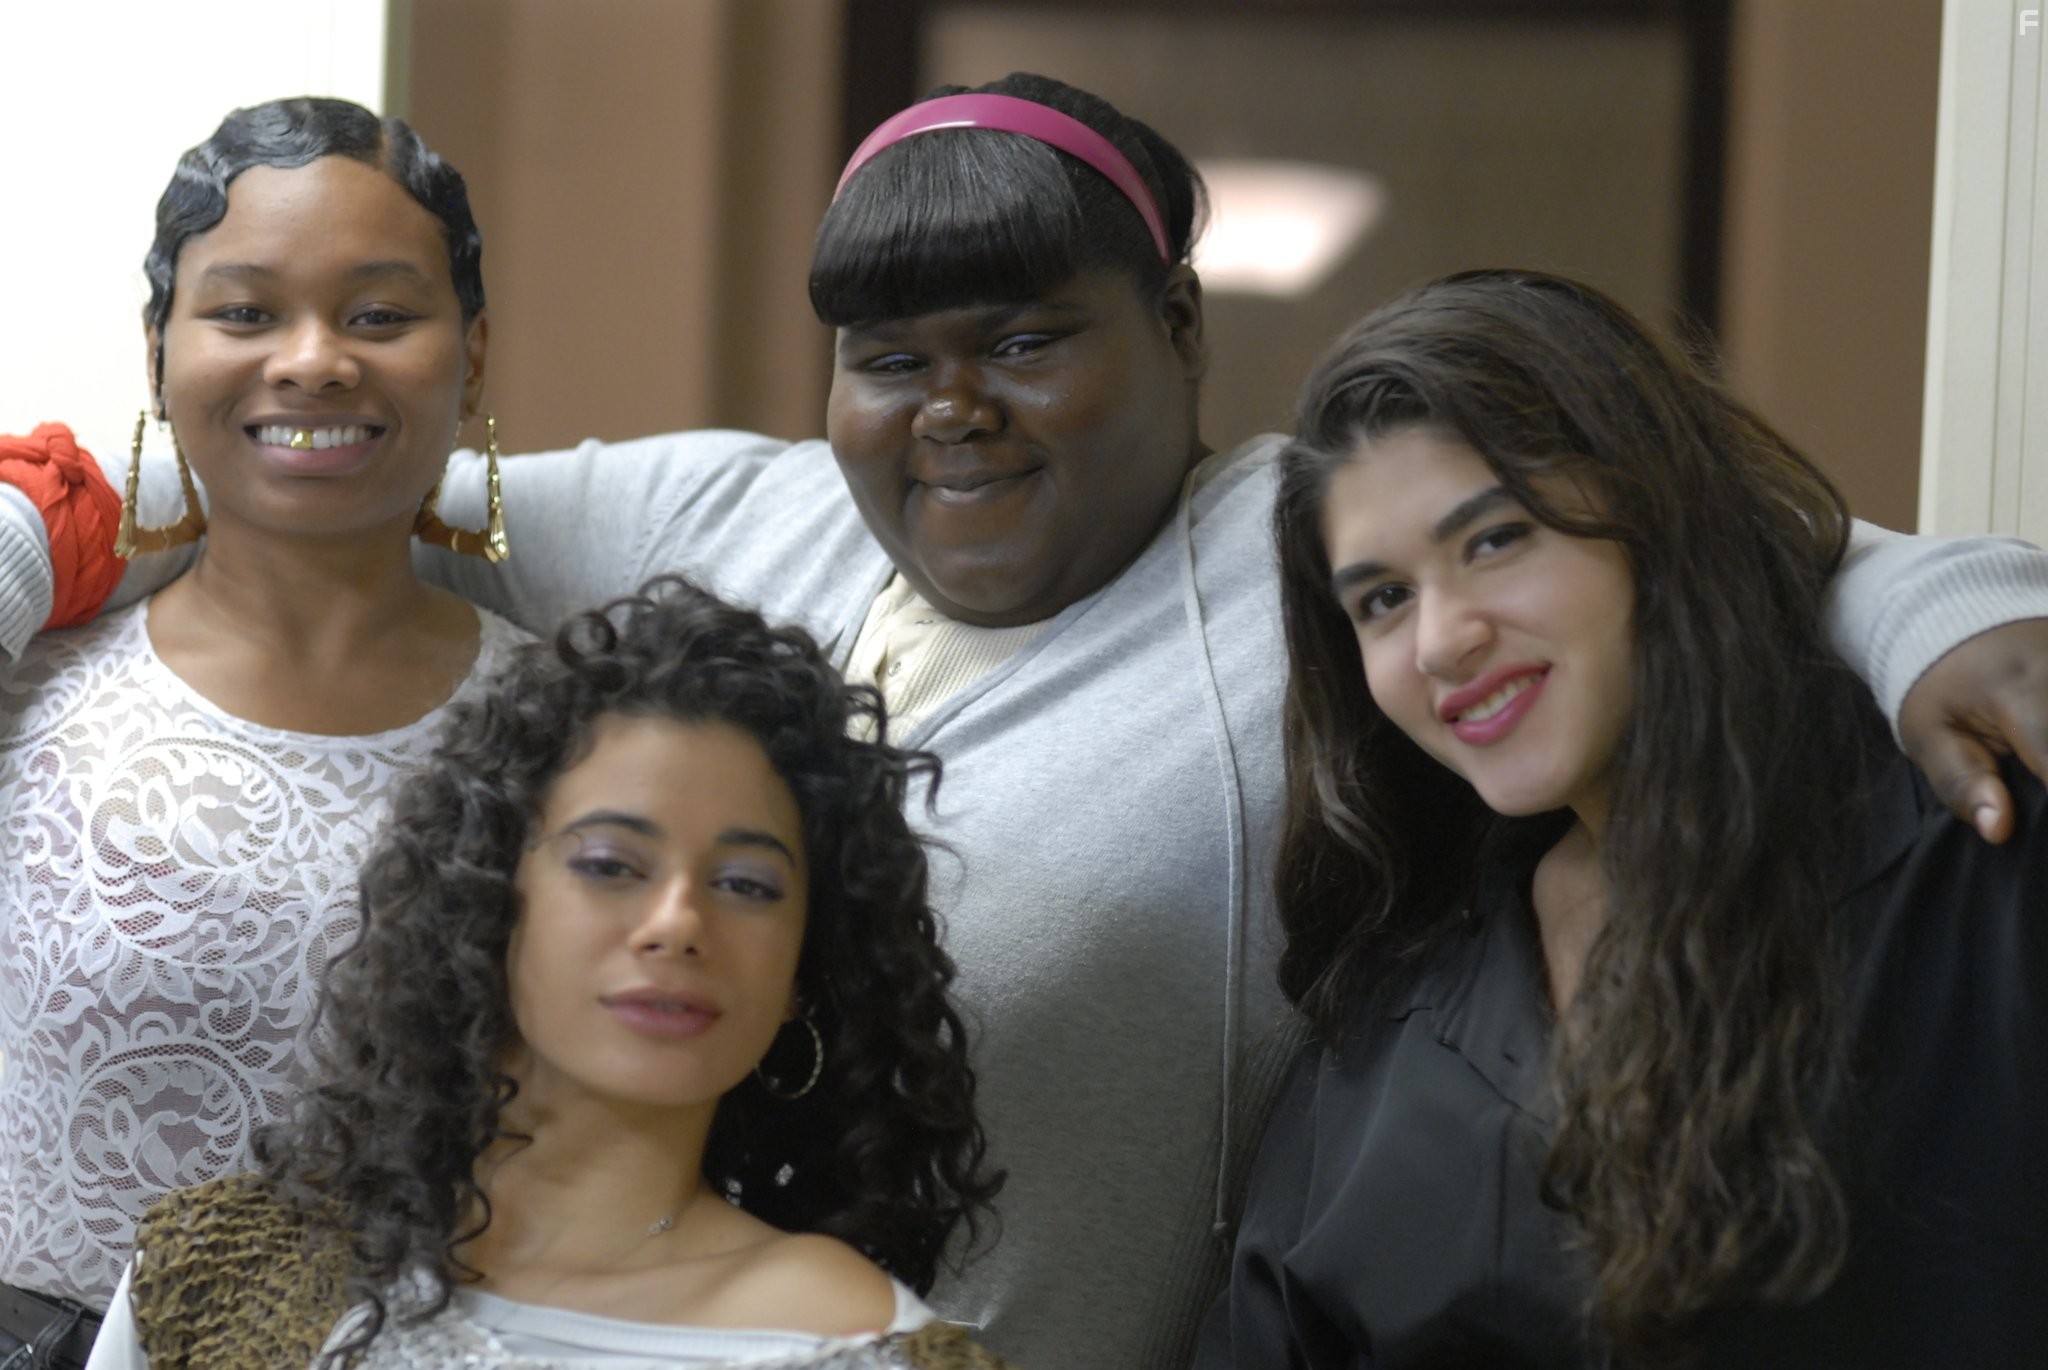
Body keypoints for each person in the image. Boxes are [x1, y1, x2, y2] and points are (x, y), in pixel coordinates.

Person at [10, 75, 2048, 1370]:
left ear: (1177, 338)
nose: (952, 403)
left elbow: (1718, 544)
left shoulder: (1305, 544)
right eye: (891, 353)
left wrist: (1952, 615)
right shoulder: (742, 514)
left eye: (1030, 337)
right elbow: (324, 446)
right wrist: (36, 534)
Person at [1198, 269, 2048, 1368]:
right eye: (1381, 598)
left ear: (1655, 519)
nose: (1439, 639)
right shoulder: (1385, 1031)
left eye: (1495, 538)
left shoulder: (1968, 858)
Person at [81, 576, 1007, 1370]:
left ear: (804, 969)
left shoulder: (865, 1349)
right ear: (487, 902)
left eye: (746, 883)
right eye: (610, 865)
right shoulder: (220, 1269)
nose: (678, 922)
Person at [0, 97, 530, 1364]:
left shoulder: (574, 736)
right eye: (244, 312)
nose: (312, 360)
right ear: (156, 351)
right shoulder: (28, 692)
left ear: (471, 355)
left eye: (379, 314)